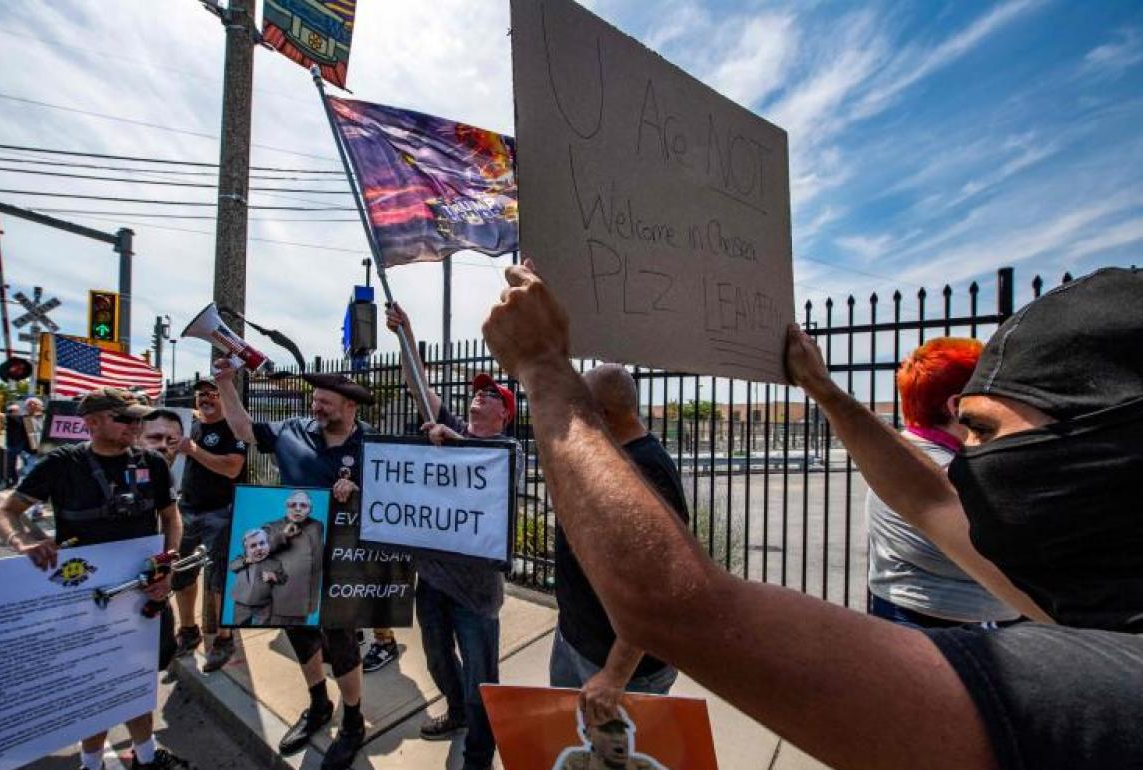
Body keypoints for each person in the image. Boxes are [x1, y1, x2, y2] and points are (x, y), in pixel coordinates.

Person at [482, 262, 1143, 769]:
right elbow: (931, 500)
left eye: (983, 431)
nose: (964, 459)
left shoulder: (1096, 692)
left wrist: (543, 367)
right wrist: (824, 391)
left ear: (1102, 449)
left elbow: (677, 611)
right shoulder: (1099, 589)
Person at [0, 387, 190, 770]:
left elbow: (170, 517)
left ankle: (146, 758)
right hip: (84, 595)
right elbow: (3, 512)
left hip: (143, 590)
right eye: (124, 418)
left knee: (138, 676)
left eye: (137, 418)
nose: (135, 425)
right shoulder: (62, 464)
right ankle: (92, 763)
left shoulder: (152, 462)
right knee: (94, 682)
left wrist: (168, 564)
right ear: (92, 423)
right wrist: (23, 542)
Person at [214, 362, 373, 769]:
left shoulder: (372, 443)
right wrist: (225, 382)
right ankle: (319, 703)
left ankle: (353, 721)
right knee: (299, 631)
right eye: (315, 400)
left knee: (340, 640)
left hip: (343, 559)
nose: (316, 407)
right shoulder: (291, 431)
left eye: (326, 402)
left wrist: (360, 490)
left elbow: (394, 496)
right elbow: (244, 430)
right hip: (292, 553)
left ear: (351, 407)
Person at [387, 302, 521, 770]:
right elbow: (417, 386)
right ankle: (458, 713)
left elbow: (491, 470)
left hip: (476, 592)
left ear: (504, 414)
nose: (478, 397)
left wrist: (454, 442)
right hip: (433, 579)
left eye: (490, 395)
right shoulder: (454, 429)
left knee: (483, 676)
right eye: (477, 393)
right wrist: (406, 333)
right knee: (438, 659)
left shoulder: (508, 449)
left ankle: (479, 755)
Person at [552, 364, 688, 722]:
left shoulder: (647, 473)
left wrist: (615, 674)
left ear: (602, 414)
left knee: (612, 750)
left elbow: (658, 589)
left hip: (620, 670)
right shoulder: (613, 454)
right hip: (576, 638)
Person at [866, 338, 1020, 629]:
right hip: (953, 621)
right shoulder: (951, 471)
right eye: (994, 393)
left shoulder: (899, 451)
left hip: (906, 609)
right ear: (958, 405)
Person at [166, 380, 248, 671]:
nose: (207, 399)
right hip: (187, 509)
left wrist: (193, 450)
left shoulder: (234, 429)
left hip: (221, 512)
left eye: (214, 394)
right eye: (202, 395)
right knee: (182, 573)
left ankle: (224, 639)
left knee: (219, 579)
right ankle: (188, 630)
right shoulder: (189, 426)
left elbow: (232, 468)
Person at [262, 490, 326, 624]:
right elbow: (260, 552)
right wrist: (283, 535)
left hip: (304, 601)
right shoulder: (272, 527)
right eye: (293, 505)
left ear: (310, 509)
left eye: (303, 505)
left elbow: (318, 559)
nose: (297, 509)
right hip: (278, 601)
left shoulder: (317, 526)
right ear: (286, 507)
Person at [552, 707, 666, 770]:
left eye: (621, 731)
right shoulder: (575, 763)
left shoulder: (643, 767)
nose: (617, 738)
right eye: (607, 730)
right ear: (588, 735)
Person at [229, 528, 287, 626]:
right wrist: (245, 561)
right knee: (239, 625)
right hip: (242, 602)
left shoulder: (274, 563)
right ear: (246, 550)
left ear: (268, 544)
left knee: (263, 625)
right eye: (253, 546)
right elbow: (232, 566)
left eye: (262, 543)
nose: (259, 548)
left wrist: (274, 576)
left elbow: (284, 578)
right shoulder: (242, 559)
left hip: (264, 603)